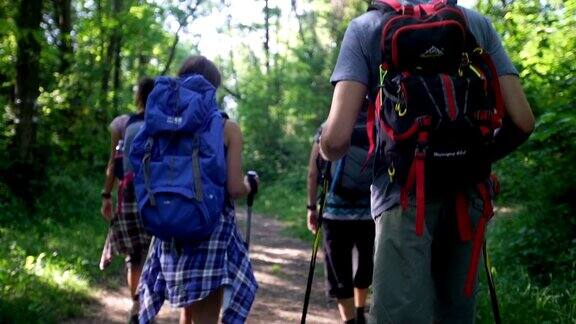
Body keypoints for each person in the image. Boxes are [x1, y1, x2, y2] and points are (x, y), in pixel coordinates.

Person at [319, 0, 535, 323]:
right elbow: (523, 121)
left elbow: (336, 140)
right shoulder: (474, 24)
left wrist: (323, 149)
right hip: (468, 194)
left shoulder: (366, 28)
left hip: (400, 195)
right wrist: (474, 160)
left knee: (400, 315)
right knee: (455, 314)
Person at [137, 55, 258, 324]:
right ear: (212, 89)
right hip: (210, 230)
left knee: (187, 310)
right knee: (206, 319)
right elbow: (235, 188)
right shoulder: (228, 129)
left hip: (168, 228)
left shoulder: (159, 125)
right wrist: (251, 184)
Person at [307, 115, 375, 324]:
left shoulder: (329, 126)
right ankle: (360, 310)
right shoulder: (376, 124)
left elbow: (313, 172)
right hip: (370, 212)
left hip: (334, 214)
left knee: (339, 271)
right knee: (365, 263)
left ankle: (349, 320)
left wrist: (311, 207)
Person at [99, 77, 155, 323]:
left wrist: (106, 195)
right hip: (158, 197)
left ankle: (137, 307)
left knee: (134, 256)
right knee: (154, 254)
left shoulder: (122, 124)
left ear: (138, 97)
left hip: (129, 195)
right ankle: (148, 306)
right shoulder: (168, 125)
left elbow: (113, 164)